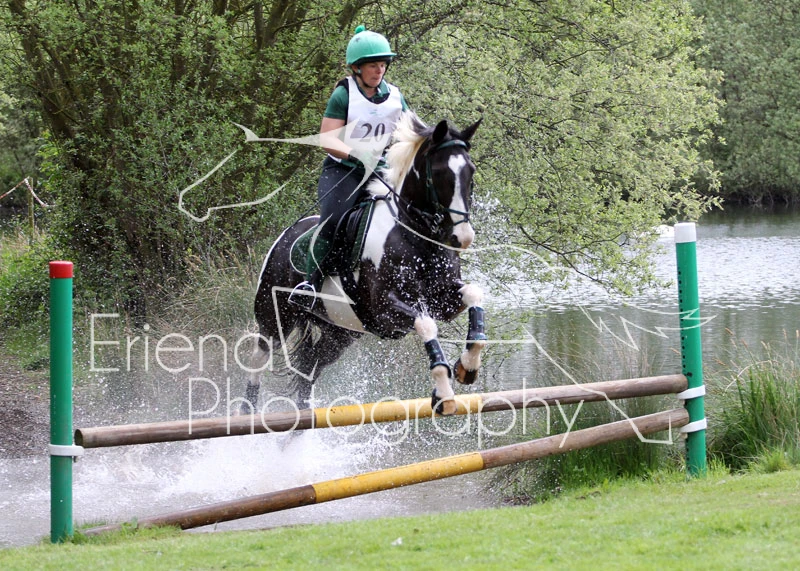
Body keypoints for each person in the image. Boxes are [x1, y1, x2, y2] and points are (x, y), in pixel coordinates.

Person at [289, 25, 410, 311]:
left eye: (383, 64)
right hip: (344, 171)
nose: (379, 70)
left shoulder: (395, 96)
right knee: (332, 221)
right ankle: (310, 285)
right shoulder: (344, 94)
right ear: (357, 67)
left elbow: (411, 132)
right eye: (372, 65)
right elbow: (327, 139)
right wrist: (357, 154)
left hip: (381, 171)